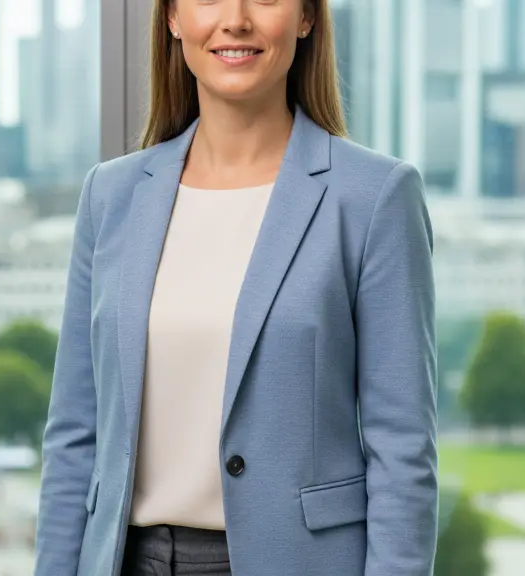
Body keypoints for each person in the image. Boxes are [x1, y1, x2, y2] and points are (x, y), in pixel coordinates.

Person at [35, 0, 438, 574]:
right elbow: (74, 436)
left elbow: (403, 453)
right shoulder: (112, 196)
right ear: (173, 18)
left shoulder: (373, 197)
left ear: (306, 18)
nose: (237, 19)